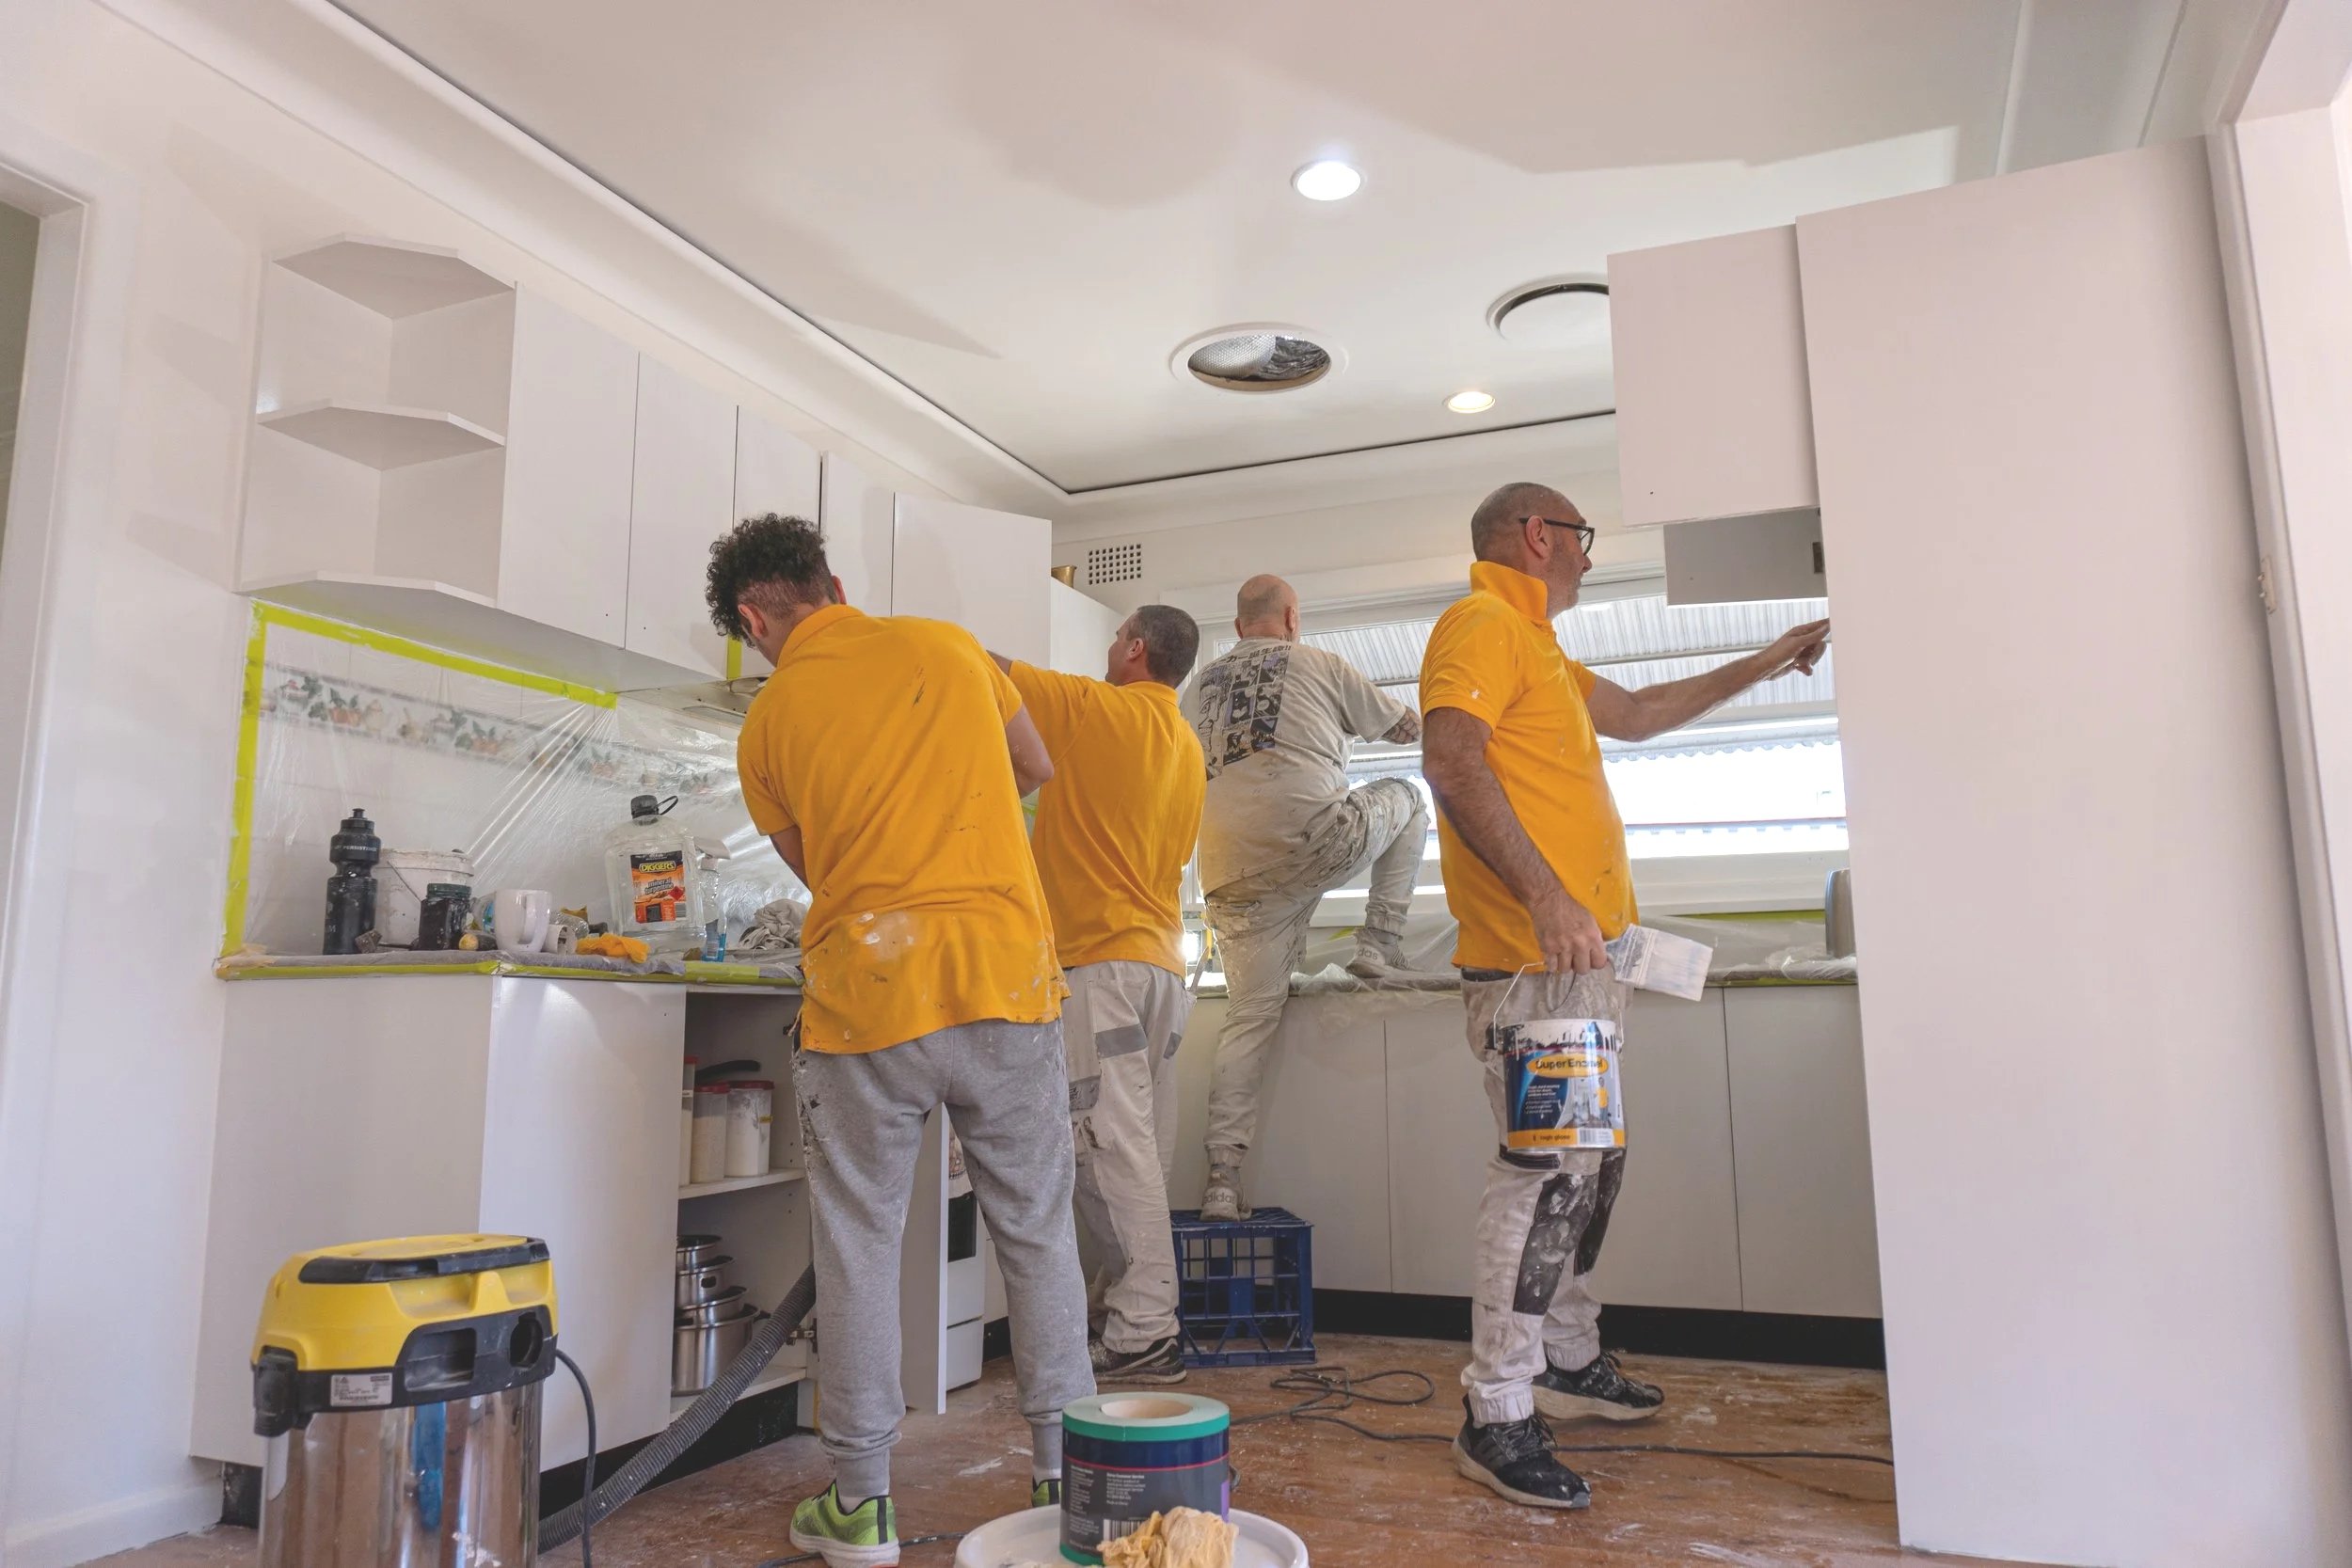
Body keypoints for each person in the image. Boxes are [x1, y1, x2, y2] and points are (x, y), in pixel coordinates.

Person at [1419, 482, 1829, 1511]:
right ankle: (1497, 1408)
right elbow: (1449, 760)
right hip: (1534, 965)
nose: (1592, 561)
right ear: (1538, 535)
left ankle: (1563, 1354)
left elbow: (1641, 714)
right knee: (1549, 1175)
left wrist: (1771, 655)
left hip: (1582, 967)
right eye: (1584, 541)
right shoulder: (1479, 623)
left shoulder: (1542, 650)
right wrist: (1549, 895)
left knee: (1592, 1170)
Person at [712, 514, 1093, 1567]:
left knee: (859, 1238)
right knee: (1036, 1225)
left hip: (868, 995)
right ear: (832, 581)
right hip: (1005, 976)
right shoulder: (947, 645)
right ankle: (1068, 1476)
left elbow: (818, 872)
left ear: (753, 618)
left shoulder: (765, 722)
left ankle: (862, 1505)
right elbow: (1036, 765)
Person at [991, 606, 1206, 1386]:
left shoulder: (1092, 707)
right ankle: (1124, 1309)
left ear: (1136, 648)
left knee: (1107, 1150)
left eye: (1115, 636)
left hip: (1099, 969)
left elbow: (983, 667)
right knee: (1140, 1151)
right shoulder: (1185, 744)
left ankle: (1145, 1326)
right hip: (1160, 970)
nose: (1107, 648)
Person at [1187, 574, 1430, 1222]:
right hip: (1314, 840)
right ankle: (1377, 946)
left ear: (1238, 627)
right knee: (1410, 796)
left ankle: (1220, 1178)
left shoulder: (1198, 688)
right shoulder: (1318, 662)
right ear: (1293, 617)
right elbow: (1406, 729)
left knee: (1250, 1018)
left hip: (1229, 877)